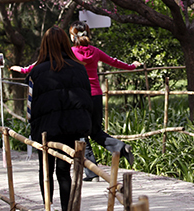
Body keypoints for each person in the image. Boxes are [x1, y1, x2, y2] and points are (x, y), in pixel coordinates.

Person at [28, 27, 92, 211]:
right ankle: (67, 209)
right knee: (64, 171)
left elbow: (30, 106)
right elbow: (87, 98)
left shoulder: (36, 72)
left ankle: (47, 206)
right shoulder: (79, 69)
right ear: (66, 43)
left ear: (44, 45)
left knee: (45, 170)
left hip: (45, 130)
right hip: (71, 127)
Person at [69, 21, 140, 181]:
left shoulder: (70, 52)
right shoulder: (95, 51)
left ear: (73, 36)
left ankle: (92, 172)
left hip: (80, 98)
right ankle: (121, 148)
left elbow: (45, 62)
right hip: (95, 96)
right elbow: (114, 62)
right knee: (95, 132)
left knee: (79, 134)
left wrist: (24, 70)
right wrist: (131, 66)